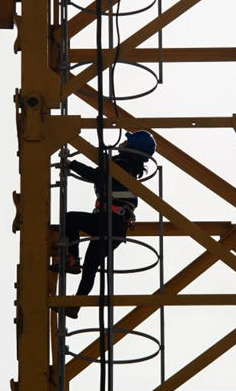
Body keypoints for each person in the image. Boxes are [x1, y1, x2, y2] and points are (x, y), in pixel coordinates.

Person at [51, 130, 157, 319]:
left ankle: (72, 259)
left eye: (127, 141)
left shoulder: (120, 165)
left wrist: (70, 164)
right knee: (91, 265)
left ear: (132, 148)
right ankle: (75, 305)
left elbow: (96, 176)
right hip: (117, 225)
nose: (123, 142)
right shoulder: (127, 168)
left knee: (70, 218)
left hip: (109, 218)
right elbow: (102, 175)